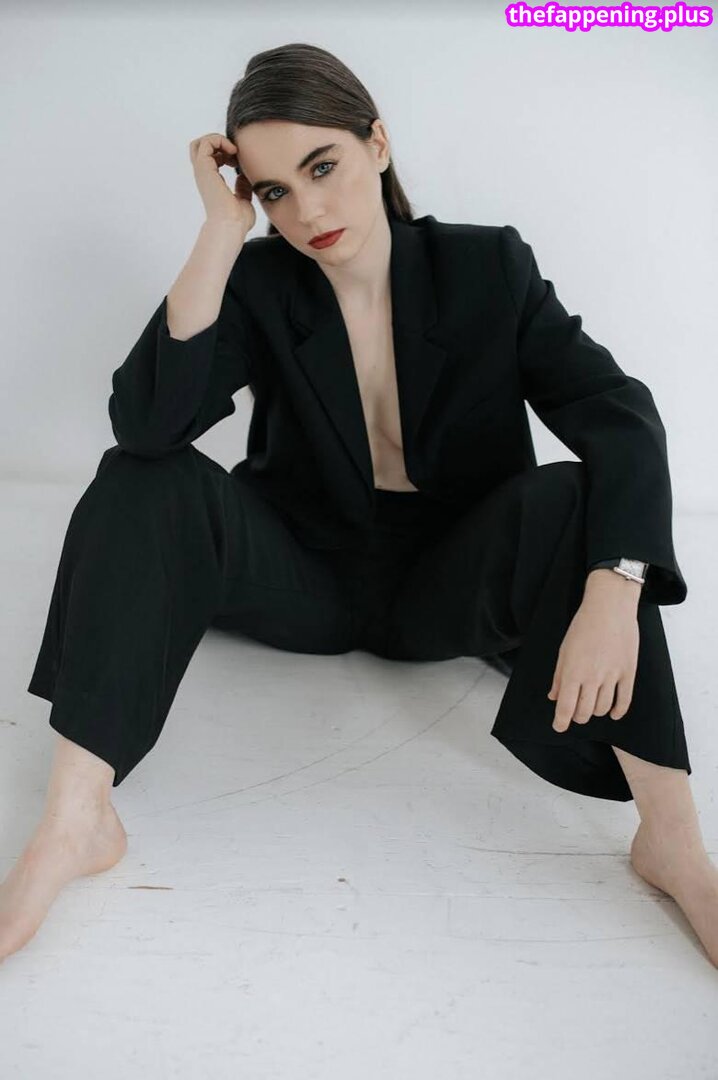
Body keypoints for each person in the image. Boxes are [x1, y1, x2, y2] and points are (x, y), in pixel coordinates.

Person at [3, 43, 716, 967]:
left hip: (451, 581)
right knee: (142, 474)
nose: (306, 212)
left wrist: (616, 588)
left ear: (377, 143)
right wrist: (221, 232)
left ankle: (672, 840)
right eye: (274, 191)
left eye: (322, 167)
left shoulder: (487, 267)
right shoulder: (261, 281)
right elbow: (146, 426)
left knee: (576, 495)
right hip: (305, 573)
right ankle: (77, 819)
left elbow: (619, 416)